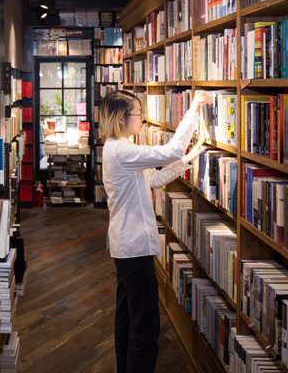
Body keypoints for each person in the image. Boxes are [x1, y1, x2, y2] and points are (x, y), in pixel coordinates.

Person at [100, 89, 210, 373]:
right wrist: (193, 110)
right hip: (133, 248)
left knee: (128, 317)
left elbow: (155, 179)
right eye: (138, 113)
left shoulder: (118, 147)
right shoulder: (122, 150)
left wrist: (190, 156)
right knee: (145, 327)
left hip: (126, 246)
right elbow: (170, 150)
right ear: (122, 118)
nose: (143, 119)